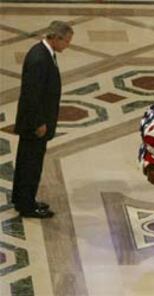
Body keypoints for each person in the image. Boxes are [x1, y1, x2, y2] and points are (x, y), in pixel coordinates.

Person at [11, 20, 73, 218]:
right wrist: (39, 123)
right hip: (34, 124)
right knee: (30, 164)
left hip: (35, 122)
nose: (68, 45)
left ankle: (23, 199)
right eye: (66, 41)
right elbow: (32, 95)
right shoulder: (39, 58)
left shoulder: (45, 53)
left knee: (28, 163)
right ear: (55, 38)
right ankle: (27, 206)